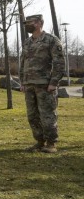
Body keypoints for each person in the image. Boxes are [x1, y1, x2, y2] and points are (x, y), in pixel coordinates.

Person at [19, 14, 65, 153]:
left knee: (47, 115)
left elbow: (59, 63)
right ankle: (39, 142)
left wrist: (54, 82)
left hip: (45, 84)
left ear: (39, 23)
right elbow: (23, 63)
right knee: (32, 116)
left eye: (30, 22)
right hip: (29, 84)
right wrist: (22, 82)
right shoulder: (27, 42)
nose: (27, 25)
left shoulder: (51, 40)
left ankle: (51, 143)